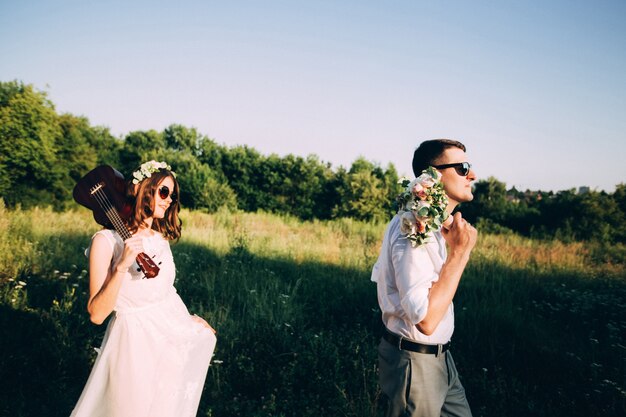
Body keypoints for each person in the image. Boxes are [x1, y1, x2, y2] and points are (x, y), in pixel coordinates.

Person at [71, 161, 217, 417]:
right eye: (163, 192)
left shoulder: (159, 239)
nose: (169, 200)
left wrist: (188, 320)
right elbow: (96, 314)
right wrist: (121, 267)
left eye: (172, 195)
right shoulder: (106, 242)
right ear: (141, 189)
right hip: (133, 348)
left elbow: (165, 293)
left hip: (165, 346)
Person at [371, 139, 477, 417]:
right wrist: (460, 254)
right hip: (414, 362)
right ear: (434, 175)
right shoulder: (413, 229)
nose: (473, 175)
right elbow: (426, 319)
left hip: (441, 359)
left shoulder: (436, 226)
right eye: (463, 168)